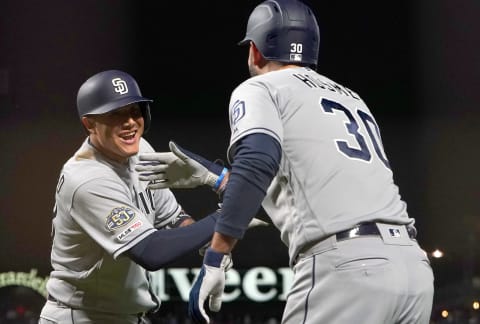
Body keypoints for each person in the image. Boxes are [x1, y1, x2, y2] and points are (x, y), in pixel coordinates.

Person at [135, 0, 435, 323]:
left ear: (255, 50)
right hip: (412, 268)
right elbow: (300, 197)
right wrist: (218, 178)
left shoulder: (260, 87)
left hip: (347, 270)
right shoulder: (351, 97)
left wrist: (216, 255)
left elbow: (258, 161)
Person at [38, 69, 227, 324]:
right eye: (115, 114)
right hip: (82, 316)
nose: (129, 122)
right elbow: (151, 251)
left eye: (134, 111)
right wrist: (226, 218)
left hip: (122, 315)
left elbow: (173, 218)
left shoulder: (140, 151)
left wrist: (209, 247)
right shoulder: (87, 179)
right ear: (89, 124)